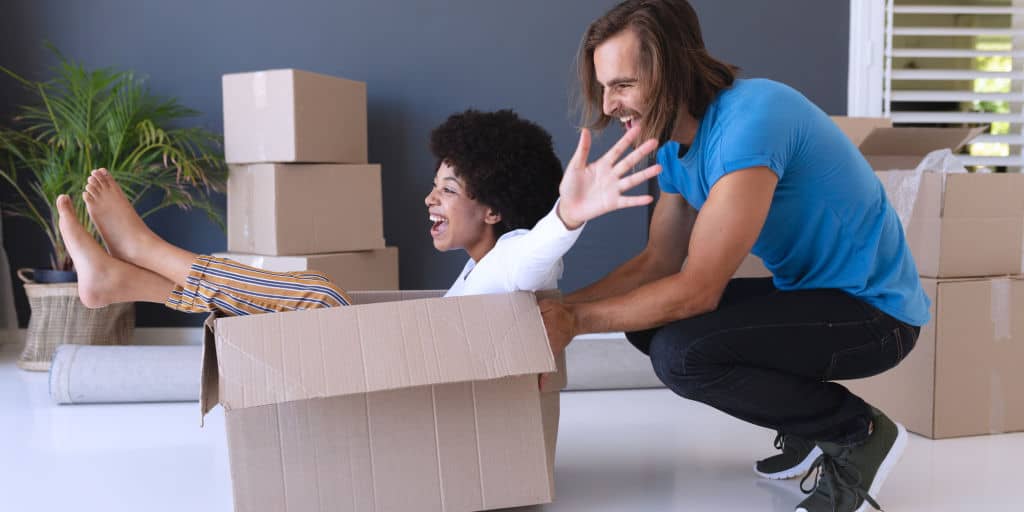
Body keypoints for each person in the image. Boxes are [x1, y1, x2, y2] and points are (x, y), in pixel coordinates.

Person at [539, 2, 929, 511]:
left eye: (624, 84)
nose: (610, 105)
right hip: (813, 297)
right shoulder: (671, 146)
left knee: (681, 354)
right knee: (648, 324)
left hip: (877, 315)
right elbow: (657, 262)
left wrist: (573, 322)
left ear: (672, 68)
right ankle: (804, 426)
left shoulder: (751, 120)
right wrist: (553, 309)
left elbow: (698, 289)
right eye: (605, 86)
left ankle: (857, 432)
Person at [56, 109, 661, 316]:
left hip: (412, 390)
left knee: (321, 298)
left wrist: (570, 216)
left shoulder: (515, 263)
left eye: (448, 189)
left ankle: (144, 253)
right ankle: (124, 280)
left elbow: (538, 254)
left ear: (495, 209)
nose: (430, 199)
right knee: (291, 311)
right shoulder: (485, 267)